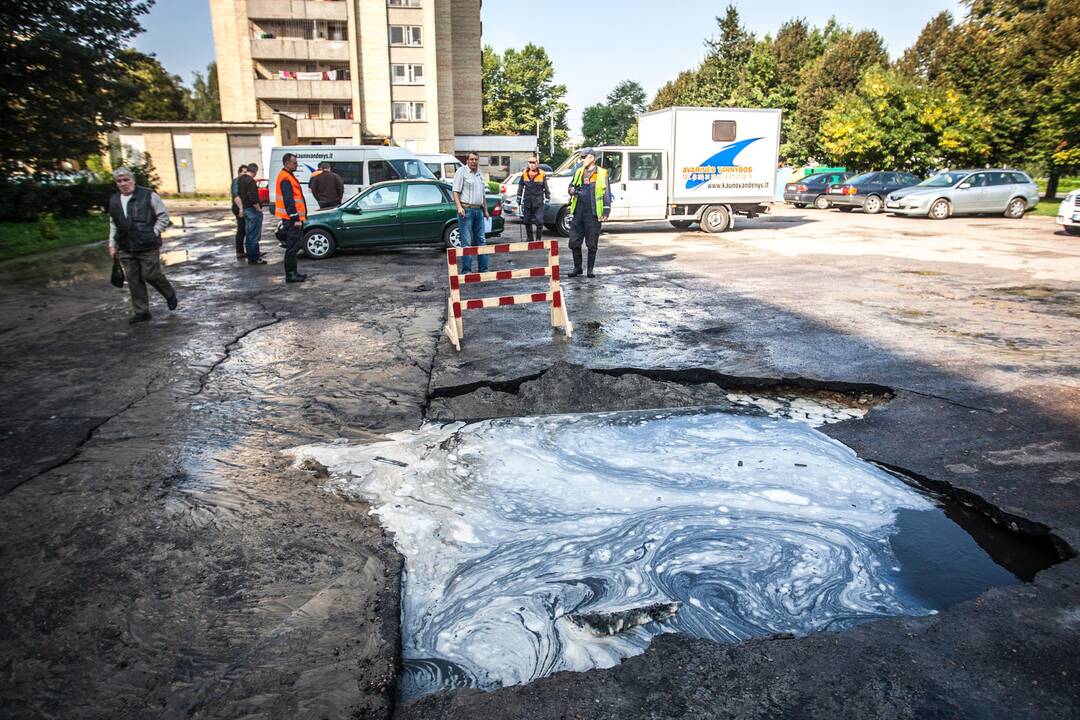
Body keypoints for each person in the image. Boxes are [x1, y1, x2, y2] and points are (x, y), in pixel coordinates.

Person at [107, 167, 177, 323]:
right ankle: (142, 311)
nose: (123, 183)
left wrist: (154, 232)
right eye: (119, 181)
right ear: (116, 184)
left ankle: (169, 293)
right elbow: (113, 223)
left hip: (147, 245)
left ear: (133, 180)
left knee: (150, 274)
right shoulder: (114, 200)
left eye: (126, 180)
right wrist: (112, 244)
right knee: (133, 279)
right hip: (125, 245)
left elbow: (163, 217)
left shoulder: (148, 195)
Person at [567, 148, 611, 278]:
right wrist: (571, 190)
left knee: (592, 244)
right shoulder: (579, 172)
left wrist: (606, 211)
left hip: (593, 213)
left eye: (583, 157)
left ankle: (590, 270)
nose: (581, 160)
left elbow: (606, 193)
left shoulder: (602, 173)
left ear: (591, 158)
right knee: (574, 242)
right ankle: (577, 268)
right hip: (578, 212)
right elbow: (571, 186)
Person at [451, 152, 490, 273]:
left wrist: (485, 210)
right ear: (467, 160)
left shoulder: (479, 174)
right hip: (466, 210)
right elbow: (455, 191)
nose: (474, 161)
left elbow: (482, 194)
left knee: (481, 240)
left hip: (478, 210)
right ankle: (466, 270)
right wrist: (459, 207)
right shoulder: (461, 172)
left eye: (476, 159)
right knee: (466, 242)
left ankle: (483, 269)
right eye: (471, 159)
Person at [275, 153, 308, 283]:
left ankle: (293, 272)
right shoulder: (285, 178)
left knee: (294, 247)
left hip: (292, 219)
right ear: (287, 163)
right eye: (294, 163)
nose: (296, 165)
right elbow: (289, 201)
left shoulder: (288, 176)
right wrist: (296, 219)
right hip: (292, 220)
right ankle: (291, 274)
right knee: (292, 248)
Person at [516, 156, 550, 242]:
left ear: (537, 163)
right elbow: (521, 185)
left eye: (533, 163)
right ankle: (530, 238)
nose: (532, 164)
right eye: (530, 162)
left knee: (539, 222)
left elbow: (546, 187)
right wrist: (519, 196)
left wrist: (547, 197)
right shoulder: (524, 173)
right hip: (527, 201)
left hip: (538, 202)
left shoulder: (542, 174)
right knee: (526, 221)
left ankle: (538, 239)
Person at [237, 162, 265, 264]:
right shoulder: (251, 181)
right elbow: (252, 197)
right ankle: (255, 258)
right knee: (254, 236)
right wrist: (259, 209)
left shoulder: (240, 180)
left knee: (249, 235)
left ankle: (251, 257)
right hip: (252, 210)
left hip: (245, 209)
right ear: (255, 171)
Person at [231, 164, 248, 259]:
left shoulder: (243, 181)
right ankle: (240, 252)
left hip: (242, 208)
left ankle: (244, 251)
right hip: (238, 208)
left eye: (246, 172)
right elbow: (236, 196)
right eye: (244, 172)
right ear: (239, 173)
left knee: (245, 229)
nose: (245, 174)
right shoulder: (237, 181)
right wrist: (241, 209)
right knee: (241, 230)